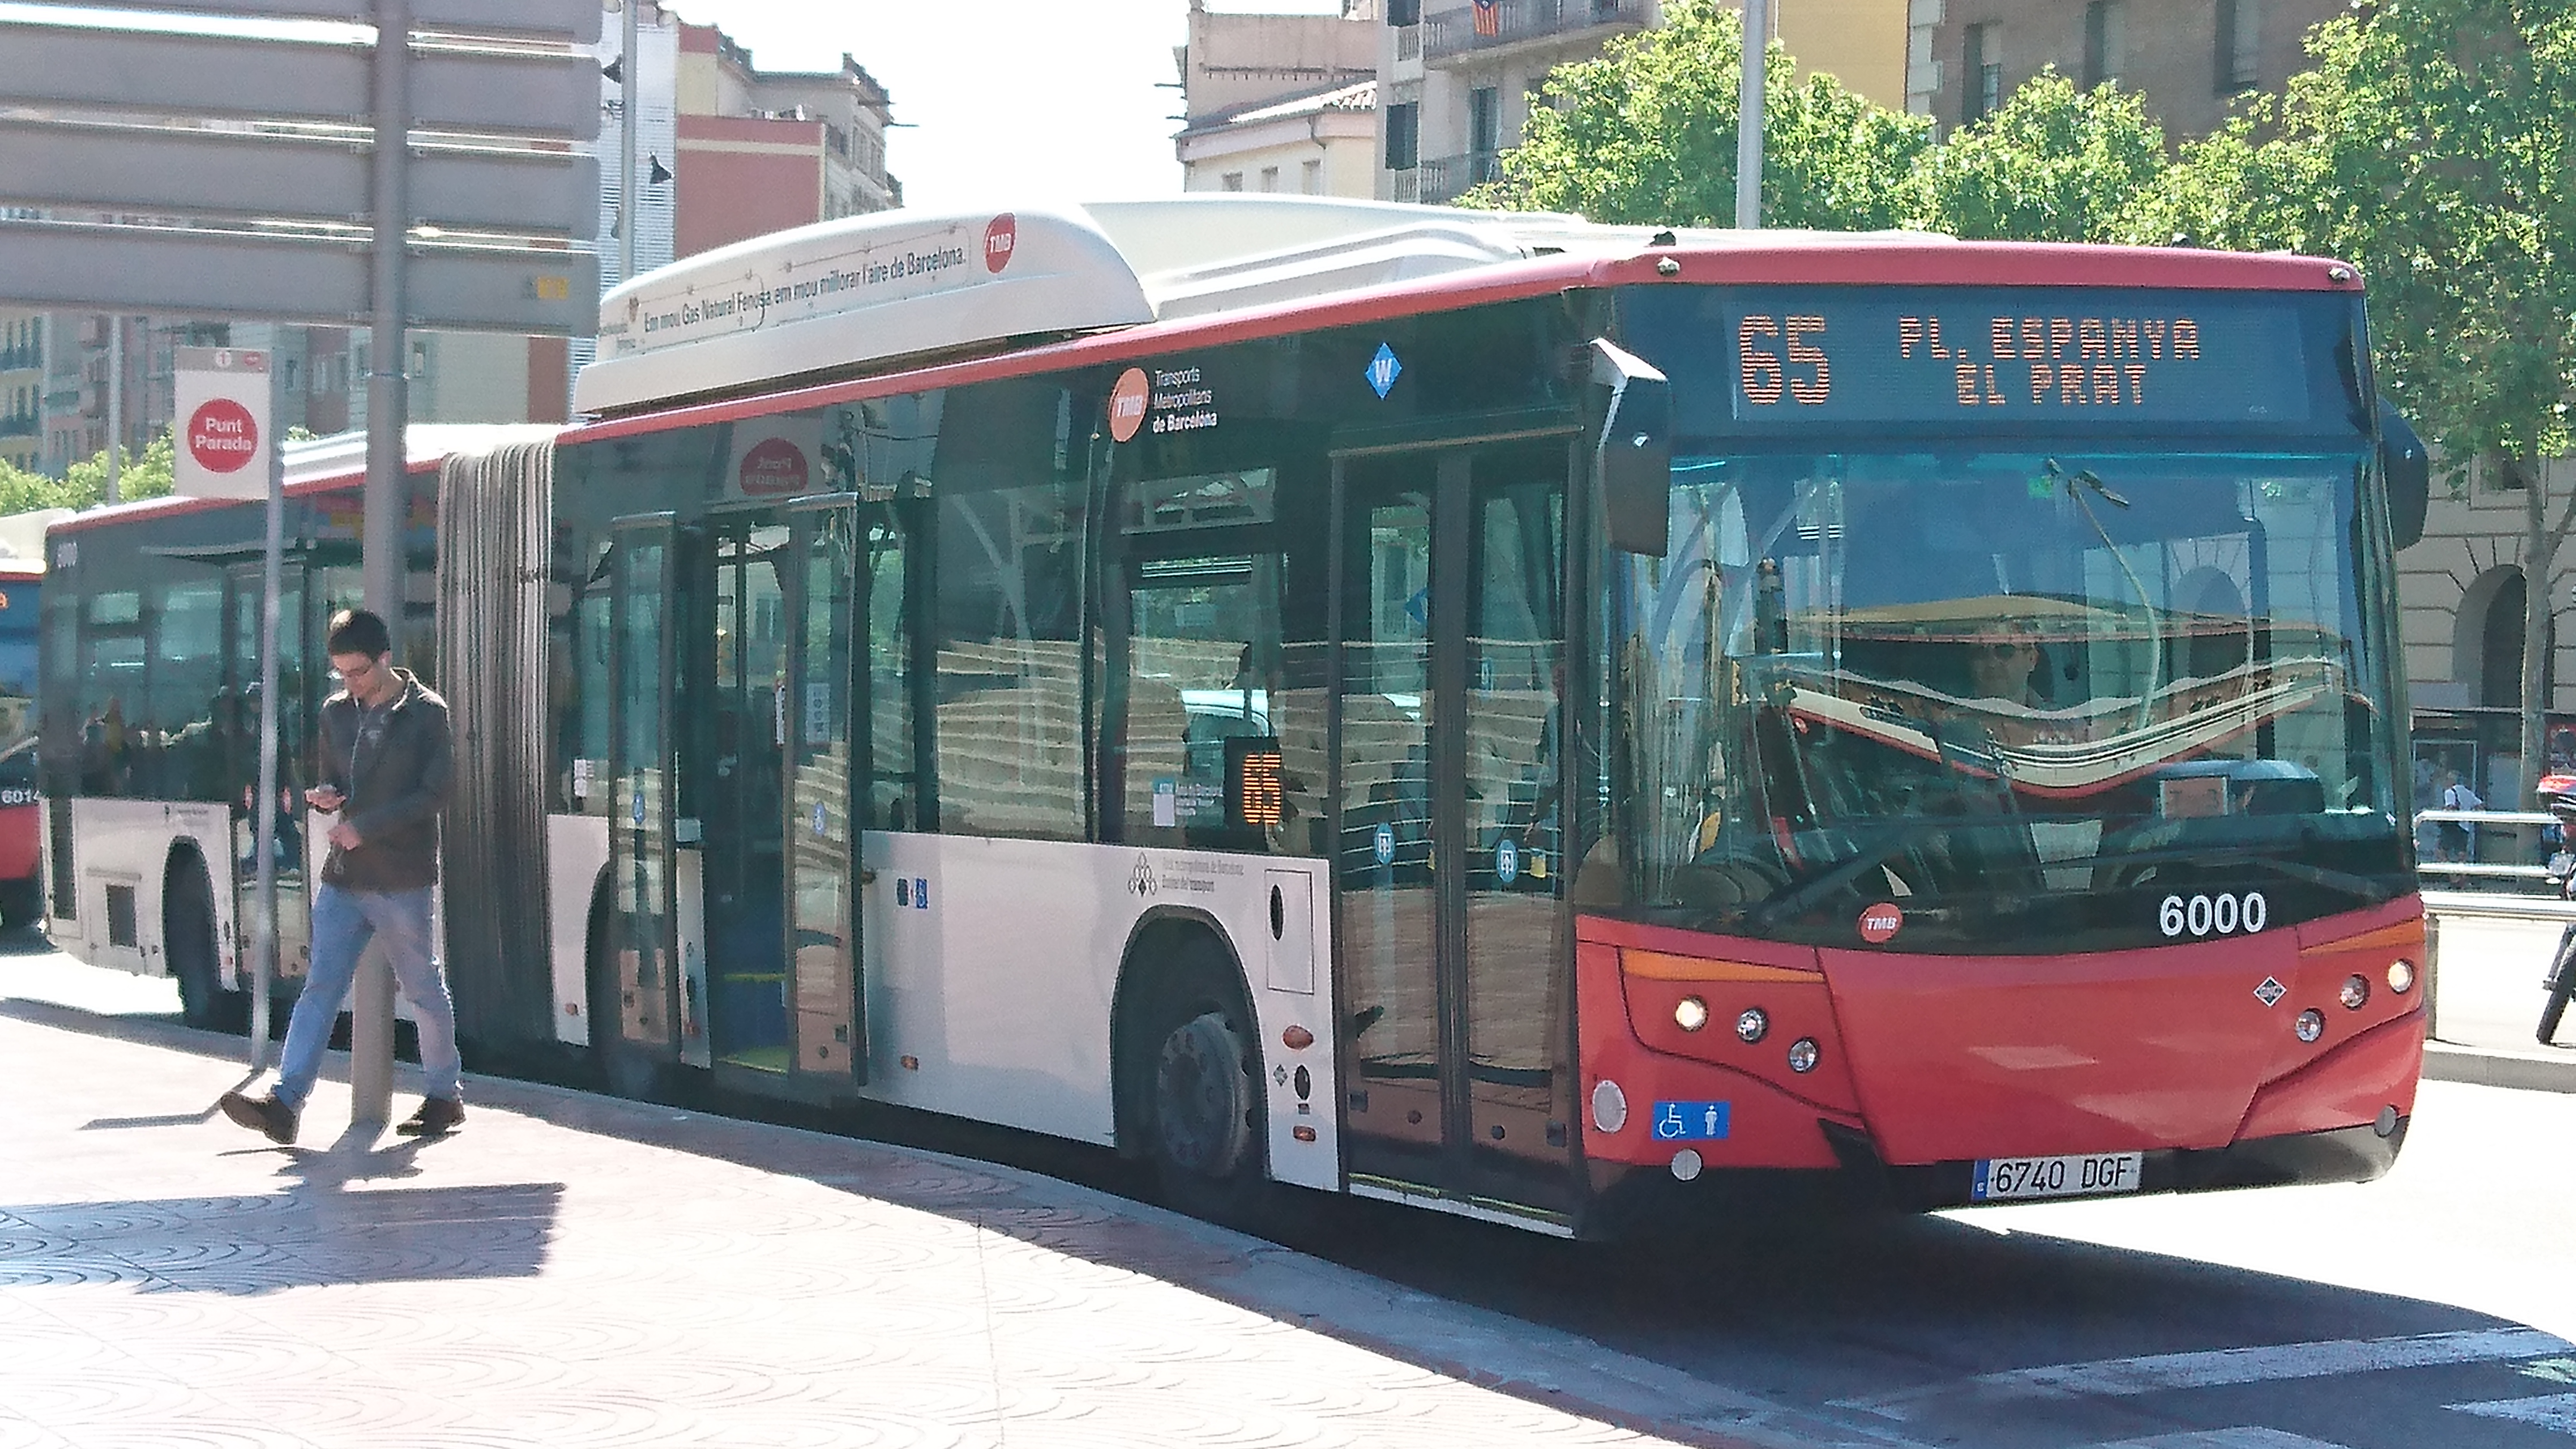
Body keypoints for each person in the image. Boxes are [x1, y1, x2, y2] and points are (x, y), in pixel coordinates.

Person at [220, 609, 463, 1145]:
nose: (351, 683)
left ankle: (444, 1096)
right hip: (345, 876)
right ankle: (285, 1103)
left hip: (401, 876)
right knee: (320, 986)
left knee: (422, 987)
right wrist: (326, 796)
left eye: (359, 671)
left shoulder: (426, 713)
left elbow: (436, 794)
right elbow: (336, 777)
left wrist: (366, 827)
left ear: (385, 659)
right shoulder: (336, 713)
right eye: (342, 673)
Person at [2440, 768, 2483, 862]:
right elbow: (2480, 806)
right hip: (2465, 827)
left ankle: (2448, 869)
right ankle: (2461, 871)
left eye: (2447, 779)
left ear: (2452, 781)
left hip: (2451, 827)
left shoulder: (2450, 792)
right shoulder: (2469, 793)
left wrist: (2441, 812)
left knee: (2441, 851)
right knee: (2461, 853)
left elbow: (2450, 807)